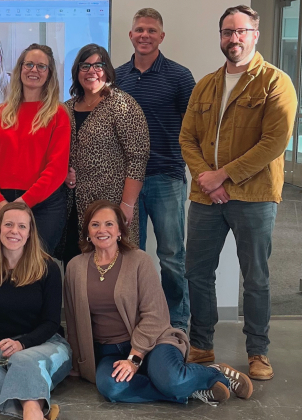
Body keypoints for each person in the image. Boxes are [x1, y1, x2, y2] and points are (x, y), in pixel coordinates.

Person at [179, 5, 298, 380]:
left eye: (241, 31)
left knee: (257, 276)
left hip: (256, 196)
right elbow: (187, 138)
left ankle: (257, 352)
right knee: (197, 273)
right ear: (220, 37)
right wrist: (206, 179)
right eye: (228, 32)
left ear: (255, 35)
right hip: (205, 198)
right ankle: (201, 344)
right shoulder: (206, 84)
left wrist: (223, 177)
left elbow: (274, 142)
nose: (234, 38)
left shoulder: (275, 82)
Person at [64, 200, 253, 406]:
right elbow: (74, 319)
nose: (102, 230)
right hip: (109, 352)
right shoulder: (75, 267)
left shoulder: (139, 261)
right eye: (95, 224)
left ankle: (213, 373)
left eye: (109, 224)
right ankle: (190, 389)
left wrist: (134, 359)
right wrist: (78, 360)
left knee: (171, 379)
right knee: (112, 387)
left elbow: (156, 315)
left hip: (153, 343)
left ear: (120, 230)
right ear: (87, 232)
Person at [114, 8, 196, 332]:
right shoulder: (117, 77)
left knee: (172, 258)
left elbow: (194, 130)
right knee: (131, 258)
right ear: (131, 35)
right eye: (139, 30)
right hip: (126, 182)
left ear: (161, 37)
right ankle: (139, 323)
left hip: (167, 177)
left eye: (151, 30)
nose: (144, 35)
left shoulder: (179, 76)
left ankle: (177, 325)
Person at [0, 202, 70, 420]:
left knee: (22, 360)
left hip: (48, 344)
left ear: (30, 233)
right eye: (8, 224)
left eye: (22, 226)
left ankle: (29, 409)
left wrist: (22, 344)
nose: (14, 231)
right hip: (5, 348)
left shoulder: (49, 268)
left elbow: (51, 322)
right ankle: (34, 406)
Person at [61, 44, 149, 264]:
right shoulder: (65, 108)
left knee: (113, 268)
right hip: (74, 207)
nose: (92, 71)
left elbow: (138, 158)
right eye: (85, 65)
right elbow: (57, 152)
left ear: (108, 70)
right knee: (76, 269)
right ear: (77, 72)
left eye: (98, 65)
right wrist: (64, 172)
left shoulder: (122, 105)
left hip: (111, 207)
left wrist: (127, 206)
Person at [0, 43, 70, 256]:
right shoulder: (0, 113)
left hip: (44, 206)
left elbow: (57, 169)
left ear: (49, 74)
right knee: (5, 267)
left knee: (37, 269)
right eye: (28, 64)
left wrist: (23, 204)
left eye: (41, 66)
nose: (34, 70)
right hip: (3, 203)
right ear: (20, 68)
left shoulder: (58, 114)